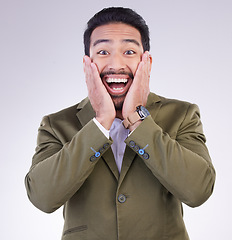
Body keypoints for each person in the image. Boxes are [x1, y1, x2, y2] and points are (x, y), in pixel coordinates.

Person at [25, 7, 216, 240]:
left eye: (129, 51)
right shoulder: (56, 124)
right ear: (88, 63)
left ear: (146, 61)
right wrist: (101, 122)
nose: (116, 64)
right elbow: (42, 197)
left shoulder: (182, 114)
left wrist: (138, 118)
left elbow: (198, 191)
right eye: (103, 51)